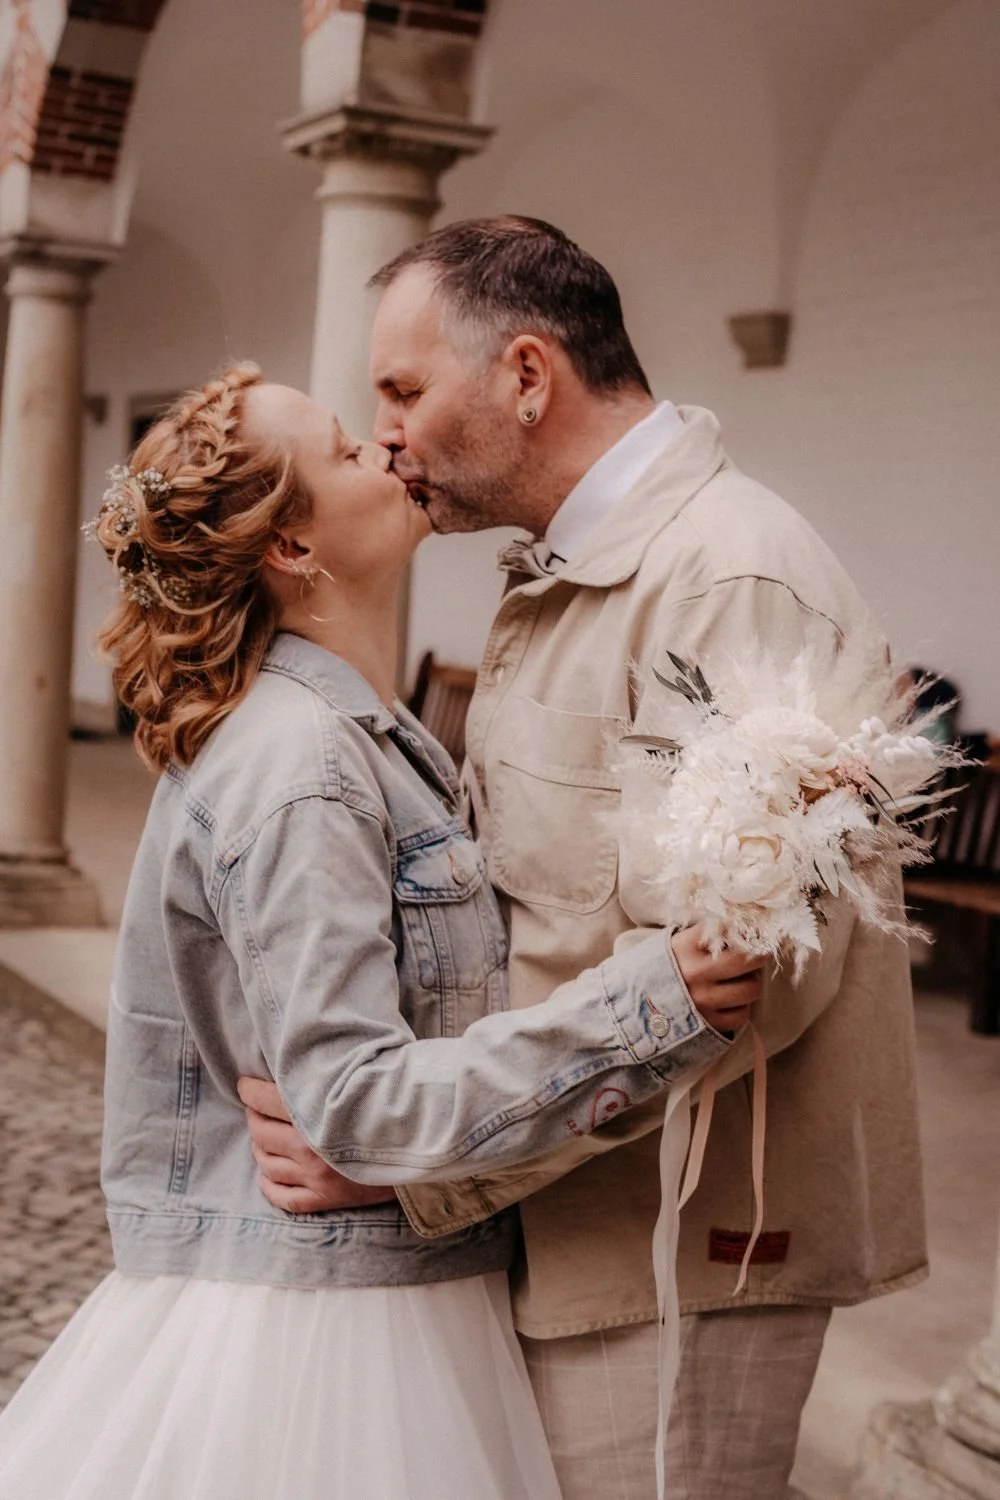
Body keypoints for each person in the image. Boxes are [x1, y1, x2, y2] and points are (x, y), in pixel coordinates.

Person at [243, 217, 927, 1500]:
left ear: (524, 374)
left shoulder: (727, 582)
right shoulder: (587, 572)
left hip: (674, 1262)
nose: (382, 431)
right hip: (569, 1220)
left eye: (400, 390)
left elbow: (734, 992)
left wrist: (412, 1160)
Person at [0, 363, 762, 1500]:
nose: (391, 451)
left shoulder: (351, 732)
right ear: (291, 550)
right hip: (330, 1334)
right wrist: (651, 1008)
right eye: (348, 450)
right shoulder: (302, 768)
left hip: (389, 1290)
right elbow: (352, 1106)